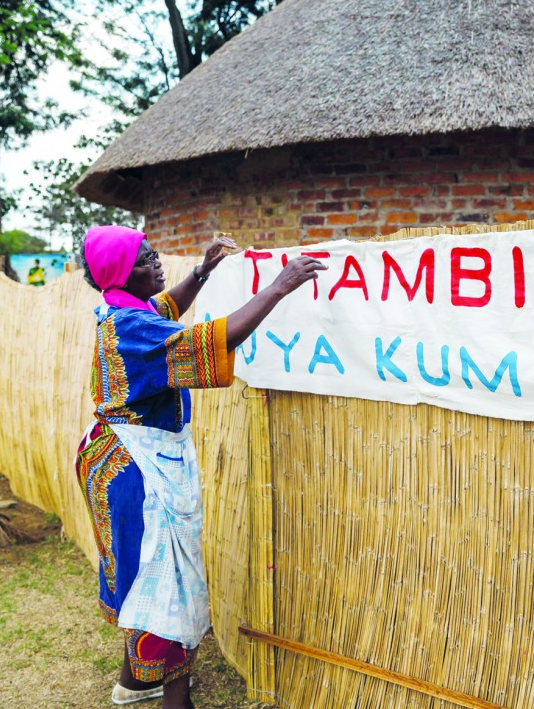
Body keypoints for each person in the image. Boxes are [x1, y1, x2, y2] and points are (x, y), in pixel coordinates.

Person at [75, 225, 325, 709]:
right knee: (163, 578)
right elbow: (211, 339)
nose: (157, 263)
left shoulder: (123, 308)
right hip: (136, 473)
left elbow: (164, 307)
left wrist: (202, 271)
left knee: (144, 575)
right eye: (147, 259)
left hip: (117, 459)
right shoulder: (133, 329)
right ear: (125, 274)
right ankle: (175, 701)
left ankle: (133, 682)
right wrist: (279, 286)